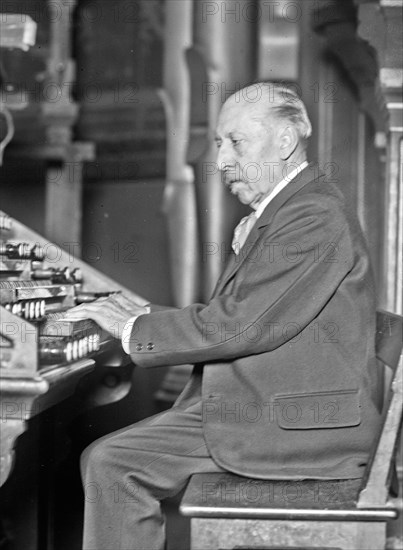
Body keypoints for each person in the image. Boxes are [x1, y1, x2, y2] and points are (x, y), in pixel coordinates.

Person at [66, 83, 381, 550]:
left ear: (285, 140)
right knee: (110, 459)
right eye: (218, 144)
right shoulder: (289, 209)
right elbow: (243, 316)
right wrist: (142, 316)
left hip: (299, 425)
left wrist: (133, 328)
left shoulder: (313, 214)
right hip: (276, 404)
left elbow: (239, 326)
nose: (222, 161)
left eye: (236, 142)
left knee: (112, 463)